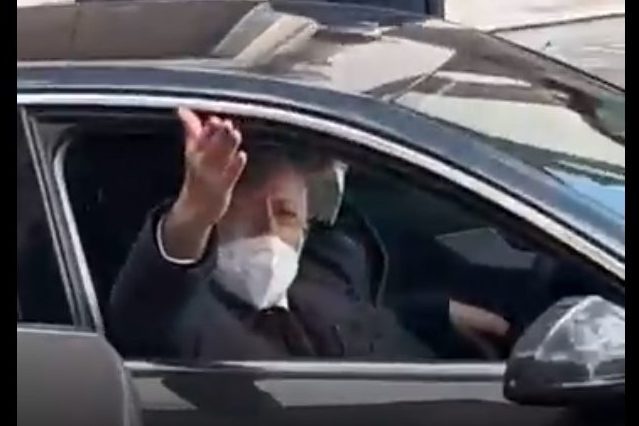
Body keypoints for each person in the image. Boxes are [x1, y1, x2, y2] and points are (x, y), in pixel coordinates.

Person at [109, 108, 510, 361]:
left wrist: (436, 317)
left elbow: (362, 321)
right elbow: (148, 303)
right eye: (240, 213)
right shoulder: (194, 325)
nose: (269, 233)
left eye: (286, 214)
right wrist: (193, 213)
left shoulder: (325, 268)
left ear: (306, 223)